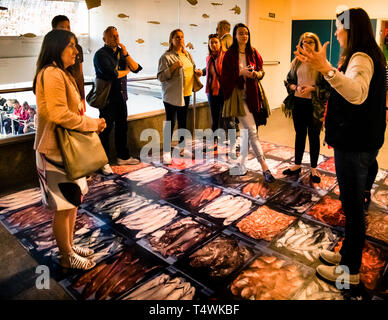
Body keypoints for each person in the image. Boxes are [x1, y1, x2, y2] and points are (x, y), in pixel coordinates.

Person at [295, 8, 387, 285]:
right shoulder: (367, 54)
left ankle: (350, 272)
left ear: (351, 28)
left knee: (353, 208)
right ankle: (347, 254)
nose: (336, 33)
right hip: (361, 141)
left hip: (355, 144)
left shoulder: (361, 57)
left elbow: (357, 94)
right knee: (352, 206)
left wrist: (326, 69)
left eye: (339, 28)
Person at [33, 29, 106, 270]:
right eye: (71, 46)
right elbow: (58, 114)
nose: (76, 51)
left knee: (72, 203)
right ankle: (66, 256)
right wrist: (92, 124)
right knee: (63, 207)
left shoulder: (59, 72)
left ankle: (70, 246)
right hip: (55, 152)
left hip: (65, 152)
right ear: (56, 48)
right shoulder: (52, 73)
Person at [220, 23, 275, 182]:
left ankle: (241, 165)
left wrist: (256, 74)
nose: (244, 36)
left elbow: (261, 71)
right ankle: (265, 167)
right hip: (238, 98)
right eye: (240, 33)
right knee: (252, 130)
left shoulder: (253, 52)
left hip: (252, 95)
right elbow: (224, 77)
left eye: (246, 33)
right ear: (235, 36)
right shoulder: (230, 55)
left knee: (245, 132)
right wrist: (240, 73)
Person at [282, 32, 331, 183]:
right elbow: (288, 81)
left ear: (316, 44)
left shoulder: (321, 62)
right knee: (300, 134)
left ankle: (314, 169)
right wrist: (295, 87)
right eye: (304, 42)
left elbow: (328, 88)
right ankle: (297, 164)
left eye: (311, 42)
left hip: (314, 106)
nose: (307, 44)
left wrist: (312, 88)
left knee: (314, 136)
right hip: (298, 103)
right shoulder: (296, 61)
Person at [94, 26, 142, 174]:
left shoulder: (121, 53)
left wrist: (126, 53)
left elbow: (136, 68)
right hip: (107, 99)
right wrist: (126, 71)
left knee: (122, 127)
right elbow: (112, 74)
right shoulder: (100, 55)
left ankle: (123, 156)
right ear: (104, 39)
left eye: (117, 35)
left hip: (121, 97)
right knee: (105, 130)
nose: (116, 38)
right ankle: (103, 162)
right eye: (112, 36)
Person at [157, 29, 202, 164]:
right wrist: (173, 67)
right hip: (172, 95)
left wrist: (197, 72)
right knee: (170, 122)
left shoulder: (187, 54)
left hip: (186, 93)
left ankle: (182, 147)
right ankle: (166, 152)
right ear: (171, 40)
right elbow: (160, 76)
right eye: (177, 37)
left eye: (182, 37)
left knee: (183, 121)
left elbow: (191, 68)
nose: (180, 40)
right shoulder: (166, 57)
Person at [52, 15, 85, 105]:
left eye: (68, 27)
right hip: (62, 94)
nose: (66, 30)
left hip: (75, 92)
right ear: (54, 30)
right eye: (62, 27)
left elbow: (80, 74)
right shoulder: (52, 49)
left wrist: (82, 96)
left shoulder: (78, 48)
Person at [203, 33, 225, 151]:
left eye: (216, 42)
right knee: (215, 118)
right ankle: (214, 142)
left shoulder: (225, 56)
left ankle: (232, 143)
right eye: (211, 43)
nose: (214, 45)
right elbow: (208, 70)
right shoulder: (209, 58)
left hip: (224, 91)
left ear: (220, 43)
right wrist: (201, 72)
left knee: (228, 119)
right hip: (212, 91)